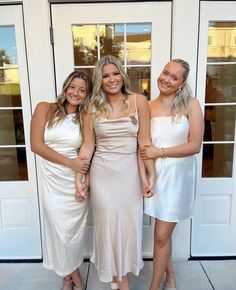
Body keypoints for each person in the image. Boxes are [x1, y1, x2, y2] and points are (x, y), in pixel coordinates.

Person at [75, 55, 155, 290]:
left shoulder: (139, 101)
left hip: (129, 175)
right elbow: (88, 145)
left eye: (115, 73)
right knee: (108, 224)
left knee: (128, 225)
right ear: (99, 80)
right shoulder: (91, 107)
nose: (111, 79)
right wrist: (79, 176)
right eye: (105, 75)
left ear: (122, 75)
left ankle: (119, 275)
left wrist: (149, 176)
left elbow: (145, 142)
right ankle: (122, 282)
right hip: (102, 174)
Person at [140, 59, 204, 290]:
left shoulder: (191, 104)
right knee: (162, 236)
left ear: (182, 83)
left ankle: (154, 287)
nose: (166, 79)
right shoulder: (146, 106)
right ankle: (171, 275)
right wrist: (145, 176)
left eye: (174, 77)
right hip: (154, 177)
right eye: (165, 73)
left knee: (160, 235)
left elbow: (195, 145)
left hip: (178, 179)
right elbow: (142, 145)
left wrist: (161, 152)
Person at [30, 71, 93, 290]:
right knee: (59, 231)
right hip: (52, 180)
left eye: (82, 90)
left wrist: (82, 180)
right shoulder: (44, 108)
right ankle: (73, 277)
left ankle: (68, 276)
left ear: (87, 95)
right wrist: (70, 162)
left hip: (74, 180)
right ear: (65, 87)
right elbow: (36, 146)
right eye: (72, 87)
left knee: (72, 234)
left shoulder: (86, 116)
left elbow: (87, 150)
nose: (76, 93)